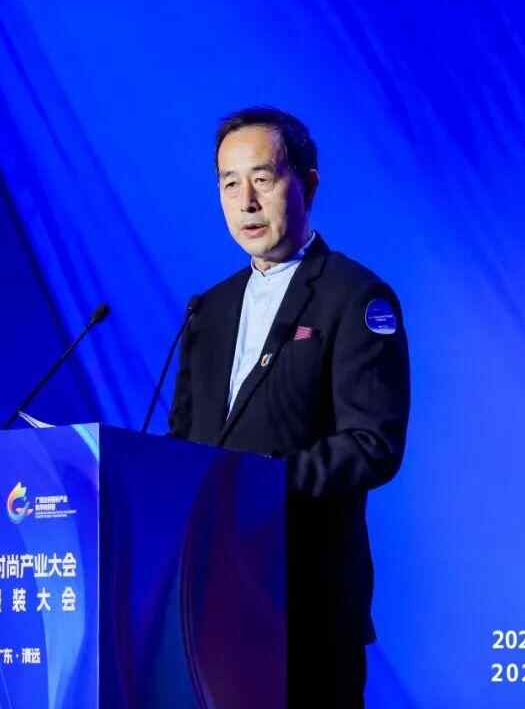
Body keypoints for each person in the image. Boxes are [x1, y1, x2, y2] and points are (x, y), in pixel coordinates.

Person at [169, 106, 410, 707]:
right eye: (229, 184)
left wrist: (260, 481)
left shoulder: (356, 297)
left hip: (306, 607)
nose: (246, 202)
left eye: (262, 179)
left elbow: (372, 446)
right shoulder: (208, 310)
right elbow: (182, 443)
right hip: (210, 606)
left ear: (308, 183)